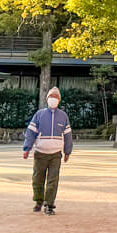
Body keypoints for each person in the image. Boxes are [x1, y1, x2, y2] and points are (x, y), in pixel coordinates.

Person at [22, 87, 73, 215]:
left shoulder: (63, 116)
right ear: (47, 99)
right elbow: (31, 132)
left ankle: (49, 204)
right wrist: (27, 148)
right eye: (51, 96)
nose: (53, 99)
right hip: (40, 153)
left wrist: (67, 152)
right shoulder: (39, 114)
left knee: (53, 180)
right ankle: (38, 201)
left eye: (56, 97)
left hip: (56, 154)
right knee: (37, 179)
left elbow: (68, 135)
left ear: (59, 100)